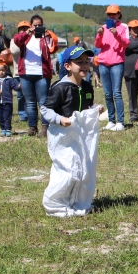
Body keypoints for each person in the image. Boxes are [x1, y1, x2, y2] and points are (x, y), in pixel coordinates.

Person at [41, 47, 102, 217]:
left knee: (83, 170)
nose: (84, 65)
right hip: (62, 135)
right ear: (67, 66)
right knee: (69, 170)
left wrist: (95, 110)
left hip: (81, 136)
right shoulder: (61, 88)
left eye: (86, 62)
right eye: (79, 62)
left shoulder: (87, 87)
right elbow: (45, 109)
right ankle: (55, 205)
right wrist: (60, 119)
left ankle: (78, 202)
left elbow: (86, 108)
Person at [13, 15, 55, 137]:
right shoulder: (25, 37)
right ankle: (32, 127)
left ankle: (45, 128)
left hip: (42, 73)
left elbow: (54, 47)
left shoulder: (46, 37)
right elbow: (16, 40)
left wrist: (49, 37)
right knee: (30, 102)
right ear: (31, 25)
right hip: (26, 73)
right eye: (35, 25)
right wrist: (27, 33)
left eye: (39, 25)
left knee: (43, 101)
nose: (37, 27)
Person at [95, 4, 129, 131]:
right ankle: (111, 120)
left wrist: (116, 35)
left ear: (119, 14)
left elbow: (126, 43)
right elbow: (98, 45)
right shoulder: (103, 28)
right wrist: (99, 35)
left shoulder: (124, 27)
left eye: (113, 14)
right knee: (107, 94)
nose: (111, 16)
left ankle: (120, 122)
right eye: (109, 14)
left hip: (117, 63)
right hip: (103, 62)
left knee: (117, 93)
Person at [0, 59, 21, 137]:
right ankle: (3, 128)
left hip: (8, 102)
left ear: (6, 69)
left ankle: (8, 129)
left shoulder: (9, 79)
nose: (1, 72)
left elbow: (15, 88)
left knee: (7, 116)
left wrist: (19, 86)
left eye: (3, 70)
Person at [14, 20, 30, 121]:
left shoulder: (32, 40)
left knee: (29, 96)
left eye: (26, 29)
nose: (23, 31)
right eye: (21, 29)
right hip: (17, 71)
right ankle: (22, 115)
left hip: (29, 71)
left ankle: (30, 115)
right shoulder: (16, 39)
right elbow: (14, 50)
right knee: (20, 96)